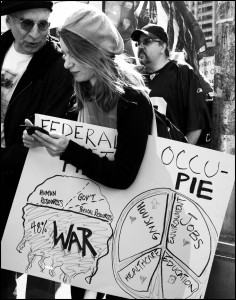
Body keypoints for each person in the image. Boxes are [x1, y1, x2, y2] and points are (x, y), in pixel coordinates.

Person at [22, 3, 153, 299]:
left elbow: (123, 176)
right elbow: (68, 146)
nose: (66, 63)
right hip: (86, 226)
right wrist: (38, 142)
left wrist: (69, 150)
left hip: (126, 234)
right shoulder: (80, 92)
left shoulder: (133, 102)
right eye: (64, 54)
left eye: (71, 54)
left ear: (91, 51)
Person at [1, 1, 74, 299]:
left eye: (43, 24)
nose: (35, 33)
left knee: (7, 267)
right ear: (9, 21)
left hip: (20, 177)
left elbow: (50, 128)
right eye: (26, 24)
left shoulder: (58, 65)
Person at [131, 24, 211, 145]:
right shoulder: (135, 76)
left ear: (163, 46)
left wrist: (180, 157)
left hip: (172, 156)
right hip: (142, 155)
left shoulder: (182, 72)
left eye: (147, 41)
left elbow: (196, 125)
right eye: (138, 43)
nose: (140, 46)